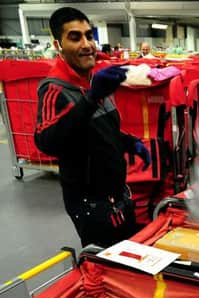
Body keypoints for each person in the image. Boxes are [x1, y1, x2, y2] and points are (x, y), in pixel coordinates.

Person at [34, 7, 151, 247]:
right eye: (75, 37)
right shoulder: (54, 89)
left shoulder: (95, 82)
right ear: (58, 45)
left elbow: (99, 131)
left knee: (129, 257)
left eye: (89, 35)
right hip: (90, 205)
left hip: (117, 196)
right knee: (108, 269)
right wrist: (90, 99)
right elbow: (47, 141)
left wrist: (129, 142)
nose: (87, 44)